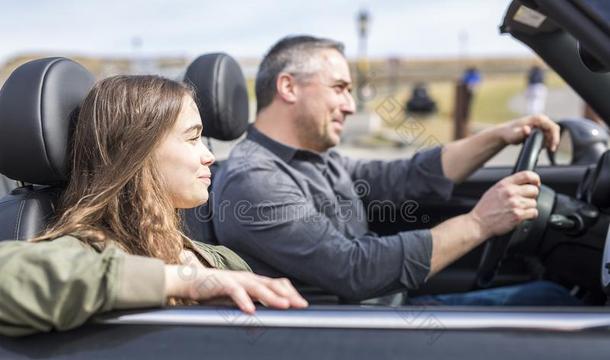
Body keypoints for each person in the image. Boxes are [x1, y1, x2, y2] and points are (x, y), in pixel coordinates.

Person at [212, 35, 580, 306]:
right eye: (340, 88)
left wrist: (498, 136)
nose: (351, 106)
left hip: (388, 315)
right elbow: (353, 269)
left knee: (550, 296)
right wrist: (480, 223)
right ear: (288, 87)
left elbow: (409, 176)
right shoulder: (255, 180)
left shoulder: (315, 159)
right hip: (359, 340)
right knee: (557, 303)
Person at [0, 75, 307, 337]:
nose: (209, 155)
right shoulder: (89, 253)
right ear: (136, 152)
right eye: (192, 138)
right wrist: (183, 281)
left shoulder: (220, 260)